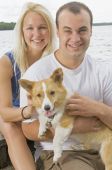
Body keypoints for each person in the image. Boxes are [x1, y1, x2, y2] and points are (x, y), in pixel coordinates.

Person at [20, 1, 112, 170]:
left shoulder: (104, 71)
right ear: (57, 32)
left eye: (82, 30)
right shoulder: (36, 75)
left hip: (104, 144)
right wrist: (73, 127)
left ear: (91, 30)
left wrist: (98, 109)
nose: (75, 38)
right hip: (66, 153)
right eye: (68, 31)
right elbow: (28, 130)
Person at [0, 2, 55, 170]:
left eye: (42, 27)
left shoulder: (54, 61)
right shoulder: (7, 62)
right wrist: (28, 111)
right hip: (12, 113)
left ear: (50, 30)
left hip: (36, 114)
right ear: (22, 32)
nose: (36, 34)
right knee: (10, 126)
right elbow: (5, 111)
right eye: (30, 28)